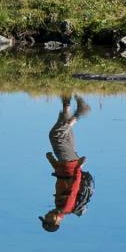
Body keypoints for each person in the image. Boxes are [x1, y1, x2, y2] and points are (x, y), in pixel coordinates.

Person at [40, 95, 91, 232]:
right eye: (48, 218)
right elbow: (74, 186)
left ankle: (66, 102)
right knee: (56, 135)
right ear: (56, 221)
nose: (46, 215)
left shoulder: (59, 205)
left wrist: (52, 161)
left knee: (63, 131)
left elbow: (60, 178)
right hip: (70, 164)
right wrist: (79, 167)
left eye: (45, 217)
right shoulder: (66, 207)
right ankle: (80, 112)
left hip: (65, 164)